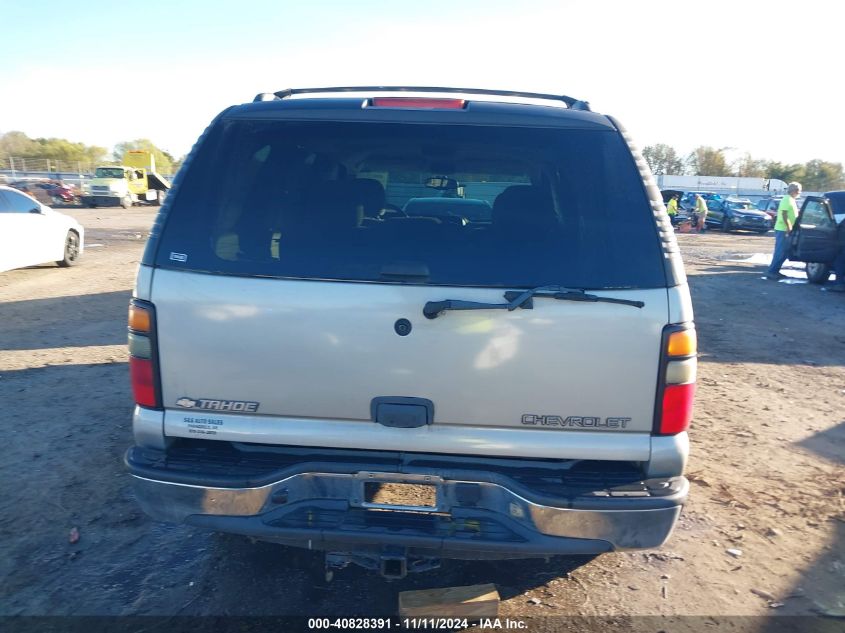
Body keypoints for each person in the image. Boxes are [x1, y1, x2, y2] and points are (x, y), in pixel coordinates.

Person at [765, 182, 802, 279]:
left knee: (784, 251)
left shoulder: (791, 200)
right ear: (795, 191)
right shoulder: (787, 199)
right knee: (780, 251)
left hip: (786, 229)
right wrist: (789, 226)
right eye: (799, 191)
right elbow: (784, 214)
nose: (799, 193)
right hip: (783, 229)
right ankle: (772, 271)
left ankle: (775, 270)